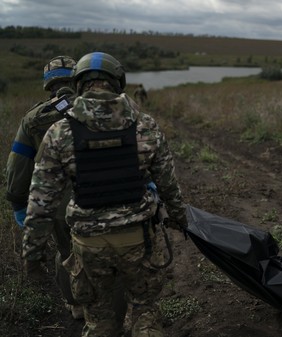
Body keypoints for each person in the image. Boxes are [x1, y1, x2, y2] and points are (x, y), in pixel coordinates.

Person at [22, 51, 188, 337]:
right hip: (138, 241)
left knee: (98, 319)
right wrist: (179, 217)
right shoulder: (145, 125)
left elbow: (41, 203)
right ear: (118, 82)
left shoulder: (60, 132)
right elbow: (168, 186)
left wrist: (32, 254)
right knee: (145, 311)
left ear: (78, 84)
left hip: (88, 246)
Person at [5, 55, 86, 318]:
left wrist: (18, 203)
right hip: (97, 196)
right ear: (76, 78)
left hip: (56, 204)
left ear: (47, 84)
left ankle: (75, 305)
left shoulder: (33, 119)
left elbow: (18, 167)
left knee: (66, 252)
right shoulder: (95, 107)